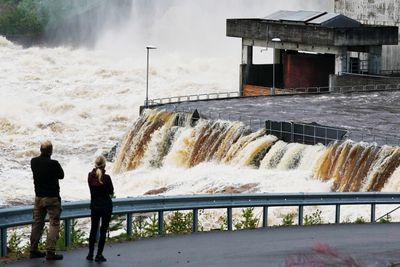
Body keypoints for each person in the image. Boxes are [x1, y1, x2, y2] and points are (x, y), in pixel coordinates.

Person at [29, 140, 64, 260]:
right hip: (52, 198)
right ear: (51, 151)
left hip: (38, 198)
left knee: (37, 223)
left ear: (40, 150)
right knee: (54, 224)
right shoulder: (54, 164)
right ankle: (50, 252)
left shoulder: (33, 161)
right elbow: (61, 175)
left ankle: (33, 250)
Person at [87, 155, 114, 262]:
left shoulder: (90, 176)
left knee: (93, 229)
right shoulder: (107, 178)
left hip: (95, 206)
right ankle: (99, 255)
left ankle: (90, 254)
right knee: (103, 231)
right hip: (106, 206)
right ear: (104, 165)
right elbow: (111, 191)